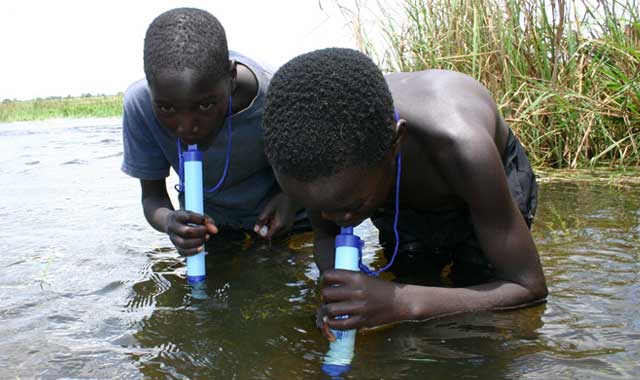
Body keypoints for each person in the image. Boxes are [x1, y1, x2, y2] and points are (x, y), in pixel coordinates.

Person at [261, 48, 548, 338]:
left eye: (350, 206)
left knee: (477, 289)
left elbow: (527, 287)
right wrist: (338, 296)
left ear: (396, 145)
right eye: (319, 208)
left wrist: (401, 302)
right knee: (410, 271)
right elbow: (326, 235)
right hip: (384, 182)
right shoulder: (328, 169)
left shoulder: (463, 148)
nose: (338, 220)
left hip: (474, 185)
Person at [121, 8, 303, 257]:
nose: (186, 127)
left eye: (205, 105)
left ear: (231, 77)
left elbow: (315, 173)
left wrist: (291, 197)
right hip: (213, 231)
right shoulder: (140, 106)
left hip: (289, 223)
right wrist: (170, 222)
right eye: (166, 108)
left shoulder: (280, 97)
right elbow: (152, 198)